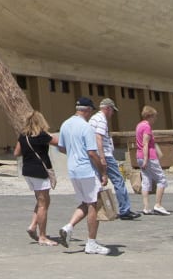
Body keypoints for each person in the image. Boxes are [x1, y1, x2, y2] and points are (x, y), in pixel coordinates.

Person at [52, 97, 113, 255]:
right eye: (90, 111)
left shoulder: (65, 124)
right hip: (87, 170)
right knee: (94, 204)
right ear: (86, 110)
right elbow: (92, 153)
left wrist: (74, 152)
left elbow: (62, 148)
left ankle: (68, 227)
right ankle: (91, 243)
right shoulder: (86, 127)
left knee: (86, 203)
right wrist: (103, 171)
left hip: (73, 170)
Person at [15, 110, 59, 245]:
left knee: (42, 201)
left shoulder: (23, 136)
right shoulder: (42, 135)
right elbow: (57, 142)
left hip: (28, 170)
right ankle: (43, 236)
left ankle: (33, 225)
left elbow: (16, 153)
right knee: (43, 205)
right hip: (40, 171)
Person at [94, 99, 141, 220]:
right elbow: (98, 137)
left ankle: (96, 210)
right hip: (105, 155)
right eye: (112, 111)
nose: (112, 114)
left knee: (98, 181)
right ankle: (125, 210)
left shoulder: (93, 119)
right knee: (118, 180)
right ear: (108, 108)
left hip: (94, 154)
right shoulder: (101, 120)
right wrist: (103, 157)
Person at [134, 105, 169, 215]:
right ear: (150, 116)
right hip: (149, 157)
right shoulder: (147, 127)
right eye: (155, 116)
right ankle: (158, 204)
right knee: (161, 179)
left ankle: (146, 207)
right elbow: (145, 143)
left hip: (139, 155)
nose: (155, 119)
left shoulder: (139, 126)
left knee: (146, 180)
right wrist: (146, 159)